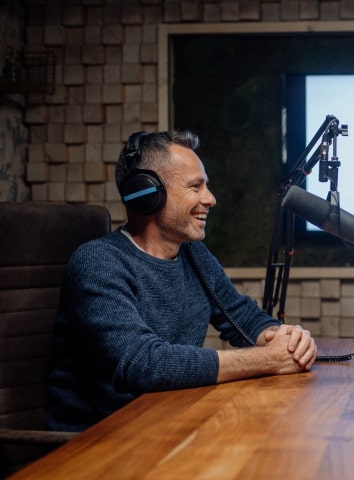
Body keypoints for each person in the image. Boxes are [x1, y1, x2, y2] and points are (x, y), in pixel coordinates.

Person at [47, 130, 317, 432]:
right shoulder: (98, 262)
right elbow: (144, 365)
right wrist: (266, 360)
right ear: (146, 193)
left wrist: (286, 338)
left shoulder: (193, 255)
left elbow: (242, 317)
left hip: (168, 424)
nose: (210, 199)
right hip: (100, 443)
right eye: (195, 186)